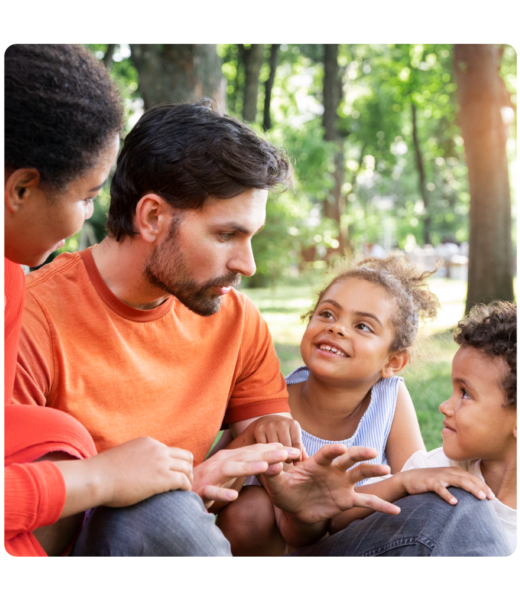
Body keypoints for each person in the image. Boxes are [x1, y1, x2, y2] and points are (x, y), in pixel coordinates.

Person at [4, 44, 285, 559]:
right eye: (227, 234)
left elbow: (270, 462)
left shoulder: (235, 317)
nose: (248, 265)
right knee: (158, 508)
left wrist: (301, 494)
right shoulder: (32, 314)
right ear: (152, 217)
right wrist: (137, 485)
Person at [217, 256, 439, 556]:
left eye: (362, 326)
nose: (337, 329)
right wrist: (254, 434)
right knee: (249, 509)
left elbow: (415, 484)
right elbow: (212, 499)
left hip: (353, 545)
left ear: (393, 361)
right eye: (327, 314)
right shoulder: (271, 402)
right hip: (278, 547)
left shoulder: (390, 398)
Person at [351, 302, 516, 556]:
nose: (445, 406)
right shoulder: (438, 470)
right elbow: (339, 522)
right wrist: (401, 483)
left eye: (465, 394)